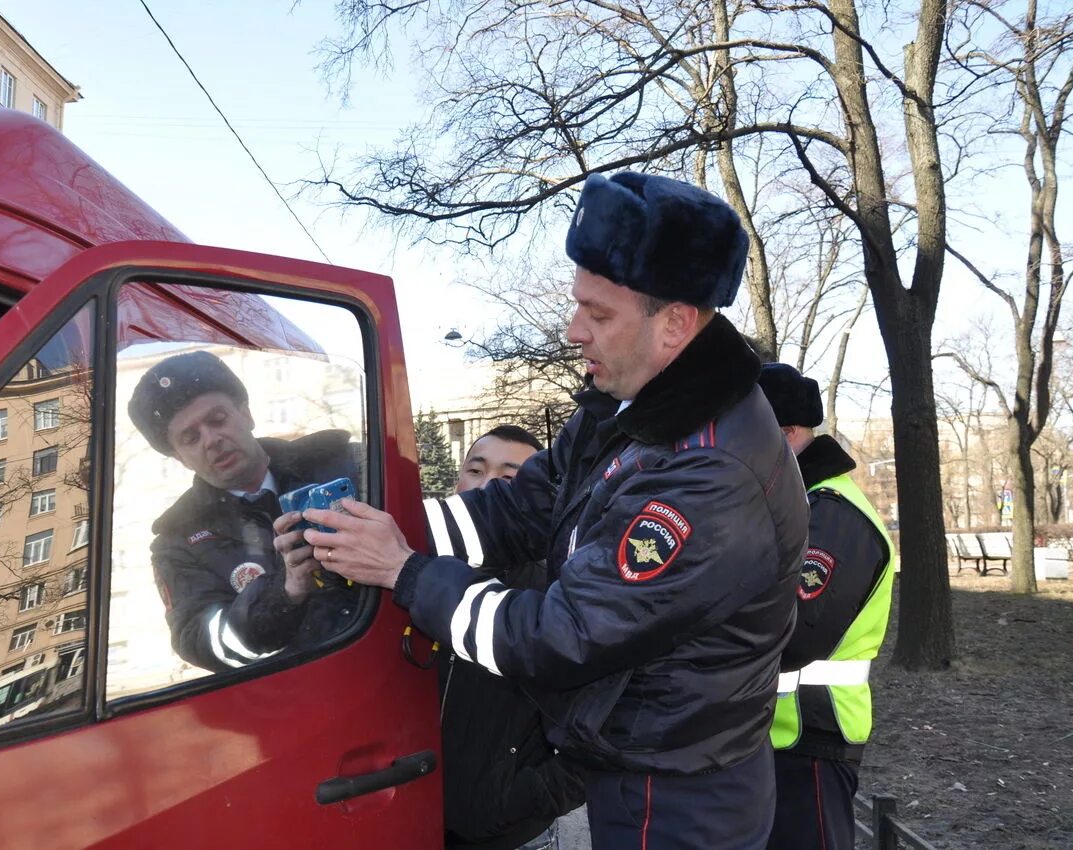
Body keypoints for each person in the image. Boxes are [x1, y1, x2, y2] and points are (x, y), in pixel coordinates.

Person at [285, 172, 809, 849]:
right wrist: (372, 521)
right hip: (632, 755)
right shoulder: (631, 405)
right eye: (577, 305)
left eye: (599, 314)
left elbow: (563, 637)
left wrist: (405, 571)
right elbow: (523, 508)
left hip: (678, 794)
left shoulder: (709, 474)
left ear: (675, 323)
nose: (573, 331)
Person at [127, 349, 358, 672]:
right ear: (179, 457)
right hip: (299, 700)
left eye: (217, 419)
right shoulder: (177, 543)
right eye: (190, 437)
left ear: (245, 413)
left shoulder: (345, 463)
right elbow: (200, 642)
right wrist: (284, 594)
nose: (212, 440)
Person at [756, 363, 896, 850]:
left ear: (789, 433)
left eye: (750, 434)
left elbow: (799, 632)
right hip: (774, 735)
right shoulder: (797, 505)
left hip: (810, 737)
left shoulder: (834, 515)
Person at [441, 425, 585, 850]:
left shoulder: (560, 589)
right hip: (409, 814)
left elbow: (603, 724)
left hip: (509, 831)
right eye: (476, 469)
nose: (486, 486)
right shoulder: (412, 570)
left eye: (509, 477)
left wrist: (526, 799)